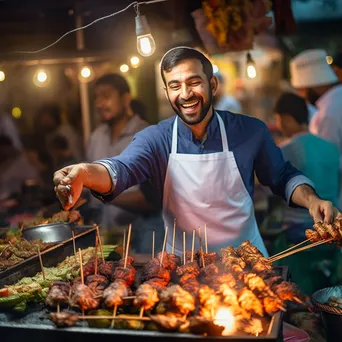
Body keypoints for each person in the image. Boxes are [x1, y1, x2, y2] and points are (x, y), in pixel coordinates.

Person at [54, 46, 340, 257]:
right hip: (183, 270)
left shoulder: (250, 131)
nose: (186, 94)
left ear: (212, 85)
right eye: (175, 86)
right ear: (167, 92)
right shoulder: (156, 139)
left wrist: (312, 200)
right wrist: (85, 172)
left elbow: (282, 176)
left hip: (247, 263)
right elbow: (120, 169)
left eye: (194, 82)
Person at [86, 73, 163, 250]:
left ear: (126, 98)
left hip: (143, 239)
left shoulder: (147, 136)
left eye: (106, 96)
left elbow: (152, 199)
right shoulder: (96, 137)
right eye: (96, 98)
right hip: (107, 241)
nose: (99, 104)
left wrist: (105, 192)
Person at [274, 92, 340, 240]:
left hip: (299, 231)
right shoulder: (331, 147)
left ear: (287, 119)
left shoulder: (284, 150)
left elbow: (271, 190)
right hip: (333, 226)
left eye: (278, 119)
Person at [290, 49, 342, 210]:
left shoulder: (328, 114)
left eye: (302, 90)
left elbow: (325, 163)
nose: (302, 96)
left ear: (314, 86)